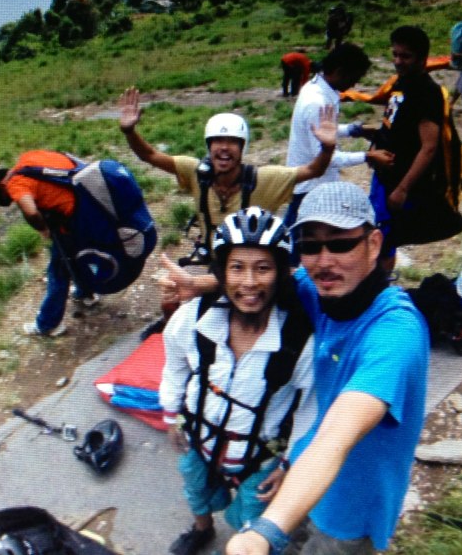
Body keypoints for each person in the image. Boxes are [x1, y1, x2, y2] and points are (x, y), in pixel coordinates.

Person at [225, 181, 430, 555]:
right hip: (303, 474)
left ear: (373, 244)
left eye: (340, 244)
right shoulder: (323, 291)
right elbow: (269, 281)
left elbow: (338, 433)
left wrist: (263, 532)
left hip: (350, 509)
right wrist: (197, 284)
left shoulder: (395, 335)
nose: (323, 261)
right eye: (309, 246)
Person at [161, 207, 316, 555]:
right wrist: (171, 414)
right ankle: (202, 529)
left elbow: (311, 407)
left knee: (253, 514)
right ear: (221, 273)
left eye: (263, 268)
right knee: (195, 487)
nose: (249, 282)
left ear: (281, 274)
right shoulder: (196, 318)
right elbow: (174, 363)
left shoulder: (296, 342)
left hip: (259, 455)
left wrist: (290, 462)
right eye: (237, 268)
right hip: (198, 435)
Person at [118, 87, 337, 262]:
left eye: (232, 142)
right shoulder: (195, 173)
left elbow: (313, 170)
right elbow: (149, 155)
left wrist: (327, 148)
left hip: (252, 266)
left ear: (243, 148)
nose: (224, 147)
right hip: (215, 262)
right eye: (217, 141)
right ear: (208, 146)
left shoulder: (265, 179)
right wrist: (129, 131)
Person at [0, 150, 97, 337]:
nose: (12, 199)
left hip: (70, 221)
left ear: (1, 186)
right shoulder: (28, 159)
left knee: (58, 271)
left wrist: (43, 228)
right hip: (87, 207)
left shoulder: (15, 184)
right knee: (74, 258)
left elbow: (30, 211)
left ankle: (47, 325)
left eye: (7, 198)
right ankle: (86, 293)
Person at [284, 43, 394, 233]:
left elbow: (322, 129)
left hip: (311, 182)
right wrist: (368, 156)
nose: (353, 85)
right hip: (311, 186)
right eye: (353, 79)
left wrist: (354, 130)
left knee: (295, 233)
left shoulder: (316, 88)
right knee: (300, 238)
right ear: (340, 72)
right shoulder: (317, 102)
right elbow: (327, 158)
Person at [366, 26, 444, 273]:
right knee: (373, 232)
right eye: (395, 54)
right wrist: (375, 140)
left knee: (385, 239)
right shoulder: (401, 82)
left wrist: (402, 189)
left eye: (405, 56)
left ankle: (381, 284)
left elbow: (429, 148)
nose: (398, 61)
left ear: (422, 58)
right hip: (382, 176)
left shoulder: (427, 92)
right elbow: (393, 122)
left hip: (398, 182)